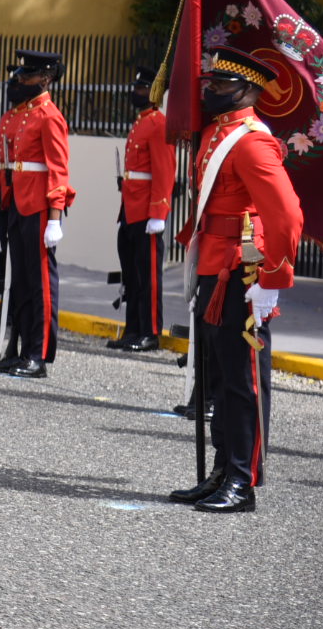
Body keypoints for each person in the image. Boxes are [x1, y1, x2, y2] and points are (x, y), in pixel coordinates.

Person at [167, 46, 302, 514]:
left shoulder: (250, 140)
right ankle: (222, 470)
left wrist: (272, 276)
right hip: (212, 265)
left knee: (242, 380)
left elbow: (285, 215)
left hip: (242, 272)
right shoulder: (216, 134)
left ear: (247, 89)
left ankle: (242, 480)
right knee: (218, 377)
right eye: (210, 83)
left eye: (221, 84)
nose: (211, 90)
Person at [0, 50, 75, 379]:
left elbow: (58, 170)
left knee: (40, 284)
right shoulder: (25, 113)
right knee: (22, 281)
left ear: (45, 79)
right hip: (19, 201)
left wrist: (55, 217)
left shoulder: (49, 116)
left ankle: (38, 355)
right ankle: (22, 347)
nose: (21, 80)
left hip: (39, 205)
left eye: (28, 75)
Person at [111, 66, 174, 352]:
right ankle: (133, 328)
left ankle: (149, 332)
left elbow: (164, 172)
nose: (135, 93)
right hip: (131, 208)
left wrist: (159, 213)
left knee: (148, 277)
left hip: (147, 212)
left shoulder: (158, 124)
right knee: (132, 274)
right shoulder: (141, 122)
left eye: (142, 89)